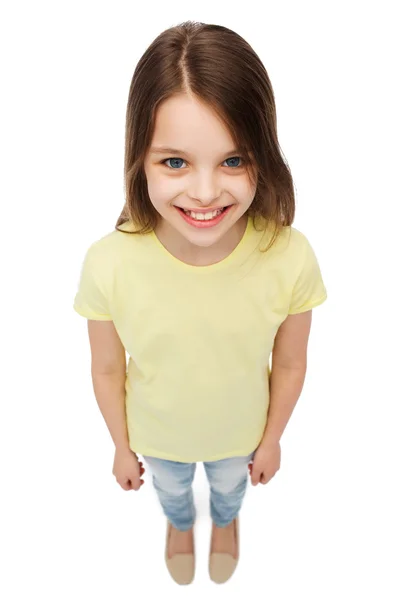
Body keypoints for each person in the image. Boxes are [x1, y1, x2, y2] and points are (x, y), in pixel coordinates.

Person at [73, 20, 327, 586]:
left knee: (231, 492)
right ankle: (181, 524)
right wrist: (119, 446)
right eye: (175, 162)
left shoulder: (289, 256)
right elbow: (107, 366)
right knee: (172, 494)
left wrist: (272, 439)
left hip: (242, 440)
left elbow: (290, 362)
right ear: (139, 158)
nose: (207, 193)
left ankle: (227, 521)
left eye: (233, 161)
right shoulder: (108, 263)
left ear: (263, 154)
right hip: (156, 441)